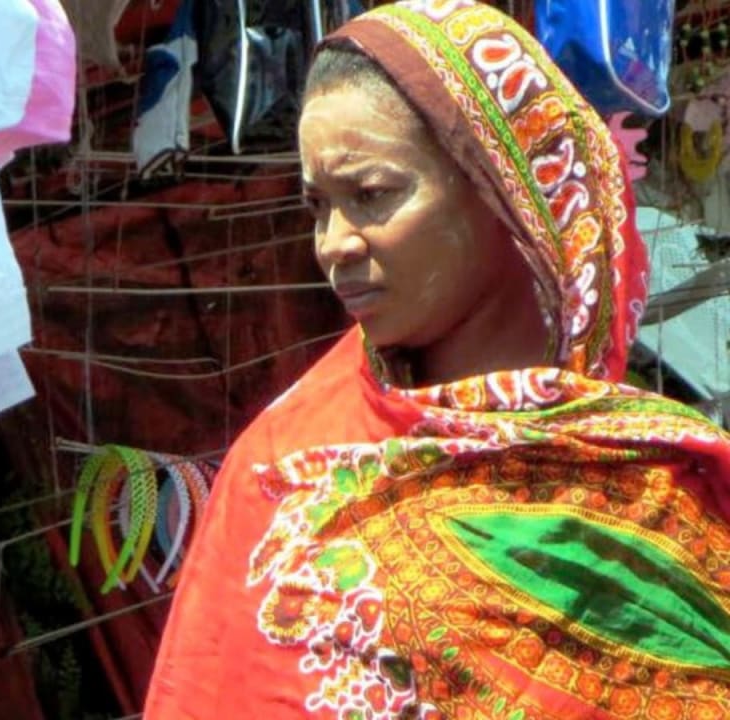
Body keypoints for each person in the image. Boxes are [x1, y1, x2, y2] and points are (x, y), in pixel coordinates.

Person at [143, 2, 730, 719]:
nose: (333, 244)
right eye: (317, 206)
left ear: (502, 194)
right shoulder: (284, 469)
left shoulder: (663, 483)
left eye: (371, 195)